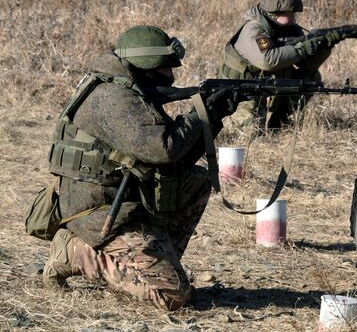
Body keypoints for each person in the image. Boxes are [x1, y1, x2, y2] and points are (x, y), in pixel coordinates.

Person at [42, 25, 237, 310]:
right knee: (173, 297)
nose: (171, 76)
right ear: (145, 68)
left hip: (125, 200)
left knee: (194, 181)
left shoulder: (128, 89)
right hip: (99, 212)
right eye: (165, 68)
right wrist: (198, 113)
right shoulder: (114, 99)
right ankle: (77, 253)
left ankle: (155, 265)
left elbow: (176, 159)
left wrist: (214, 115)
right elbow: (164, 147)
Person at [218, 0, 343, 132]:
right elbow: (267, 61)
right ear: (274, 14)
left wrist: (326, 45)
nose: (294, 19)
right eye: (290, 14)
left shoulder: (288, 28)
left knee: (311, 77)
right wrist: (301, 49)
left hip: (269, 85)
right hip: (244, 91)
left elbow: (307, 65)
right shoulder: (254, 30)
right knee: (252, 135)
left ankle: (280, 119)